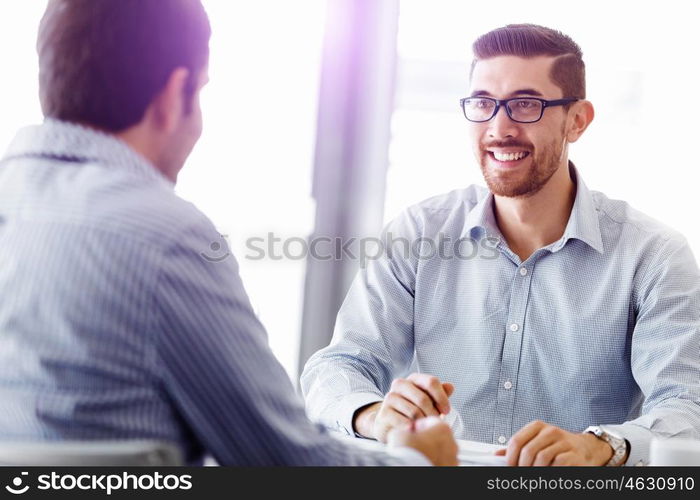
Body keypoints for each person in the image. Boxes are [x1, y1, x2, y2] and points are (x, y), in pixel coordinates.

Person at [0, 0, 458, 466]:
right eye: (199, 92)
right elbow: (279, 460)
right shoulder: (164, 236)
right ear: (175, 94)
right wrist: (418, 463)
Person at [301, 23, 700, 466]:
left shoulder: (654, 256)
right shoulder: (418, 234)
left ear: (578, 120)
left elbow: (687, 408)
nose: (499, 127)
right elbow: (336, 368)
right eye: (483, 104)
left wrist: (599, 446)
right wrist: (376, 416)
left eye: (525, 104)